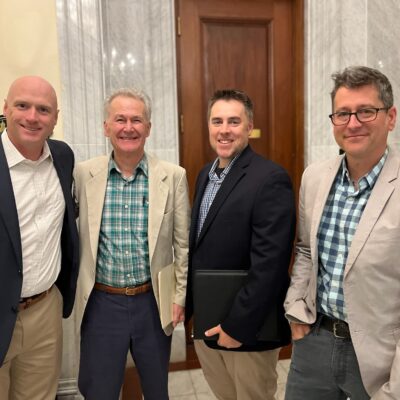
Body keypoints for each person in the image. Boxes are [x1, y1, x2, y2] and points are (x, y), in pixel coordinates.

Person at [284, 66, 399, 399]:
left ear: (390, 117)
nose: (353, 123)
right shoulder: (315, 177)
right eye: (343, 113)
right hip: (314, 341)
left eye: (366, 111)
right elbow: (305, 249)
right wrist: (295, 306)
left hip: (380, 357)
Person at [73, 87, 190, 399]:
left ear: (148, 128)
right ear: (106, 127)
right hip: (101, 304)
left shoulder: (173, 176)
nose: (128, 127)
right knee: (100, 391)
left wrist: (179, 296)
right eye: (120, 119)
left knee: (155, 390)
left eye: (136, 120)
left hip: (151, 302)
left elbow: (183, 244)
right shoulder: (84, 174)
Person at [186, 89, 296, 400]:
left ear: (249, 126)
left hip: (247, 331)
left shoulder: (270, 178)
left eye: (234, 121)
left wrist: (237, 327)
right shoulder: (205, 175)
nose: (224, 129)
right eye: (217, 121)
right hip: (208, 325)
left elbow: (270, 265)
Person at [0, 76, 79, 399]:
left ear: (55, 118)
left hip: (44, 311)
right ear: (5, 109)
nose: (32, 117)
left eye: (43, 110)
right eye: (22, 105)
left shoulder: (62, 157)